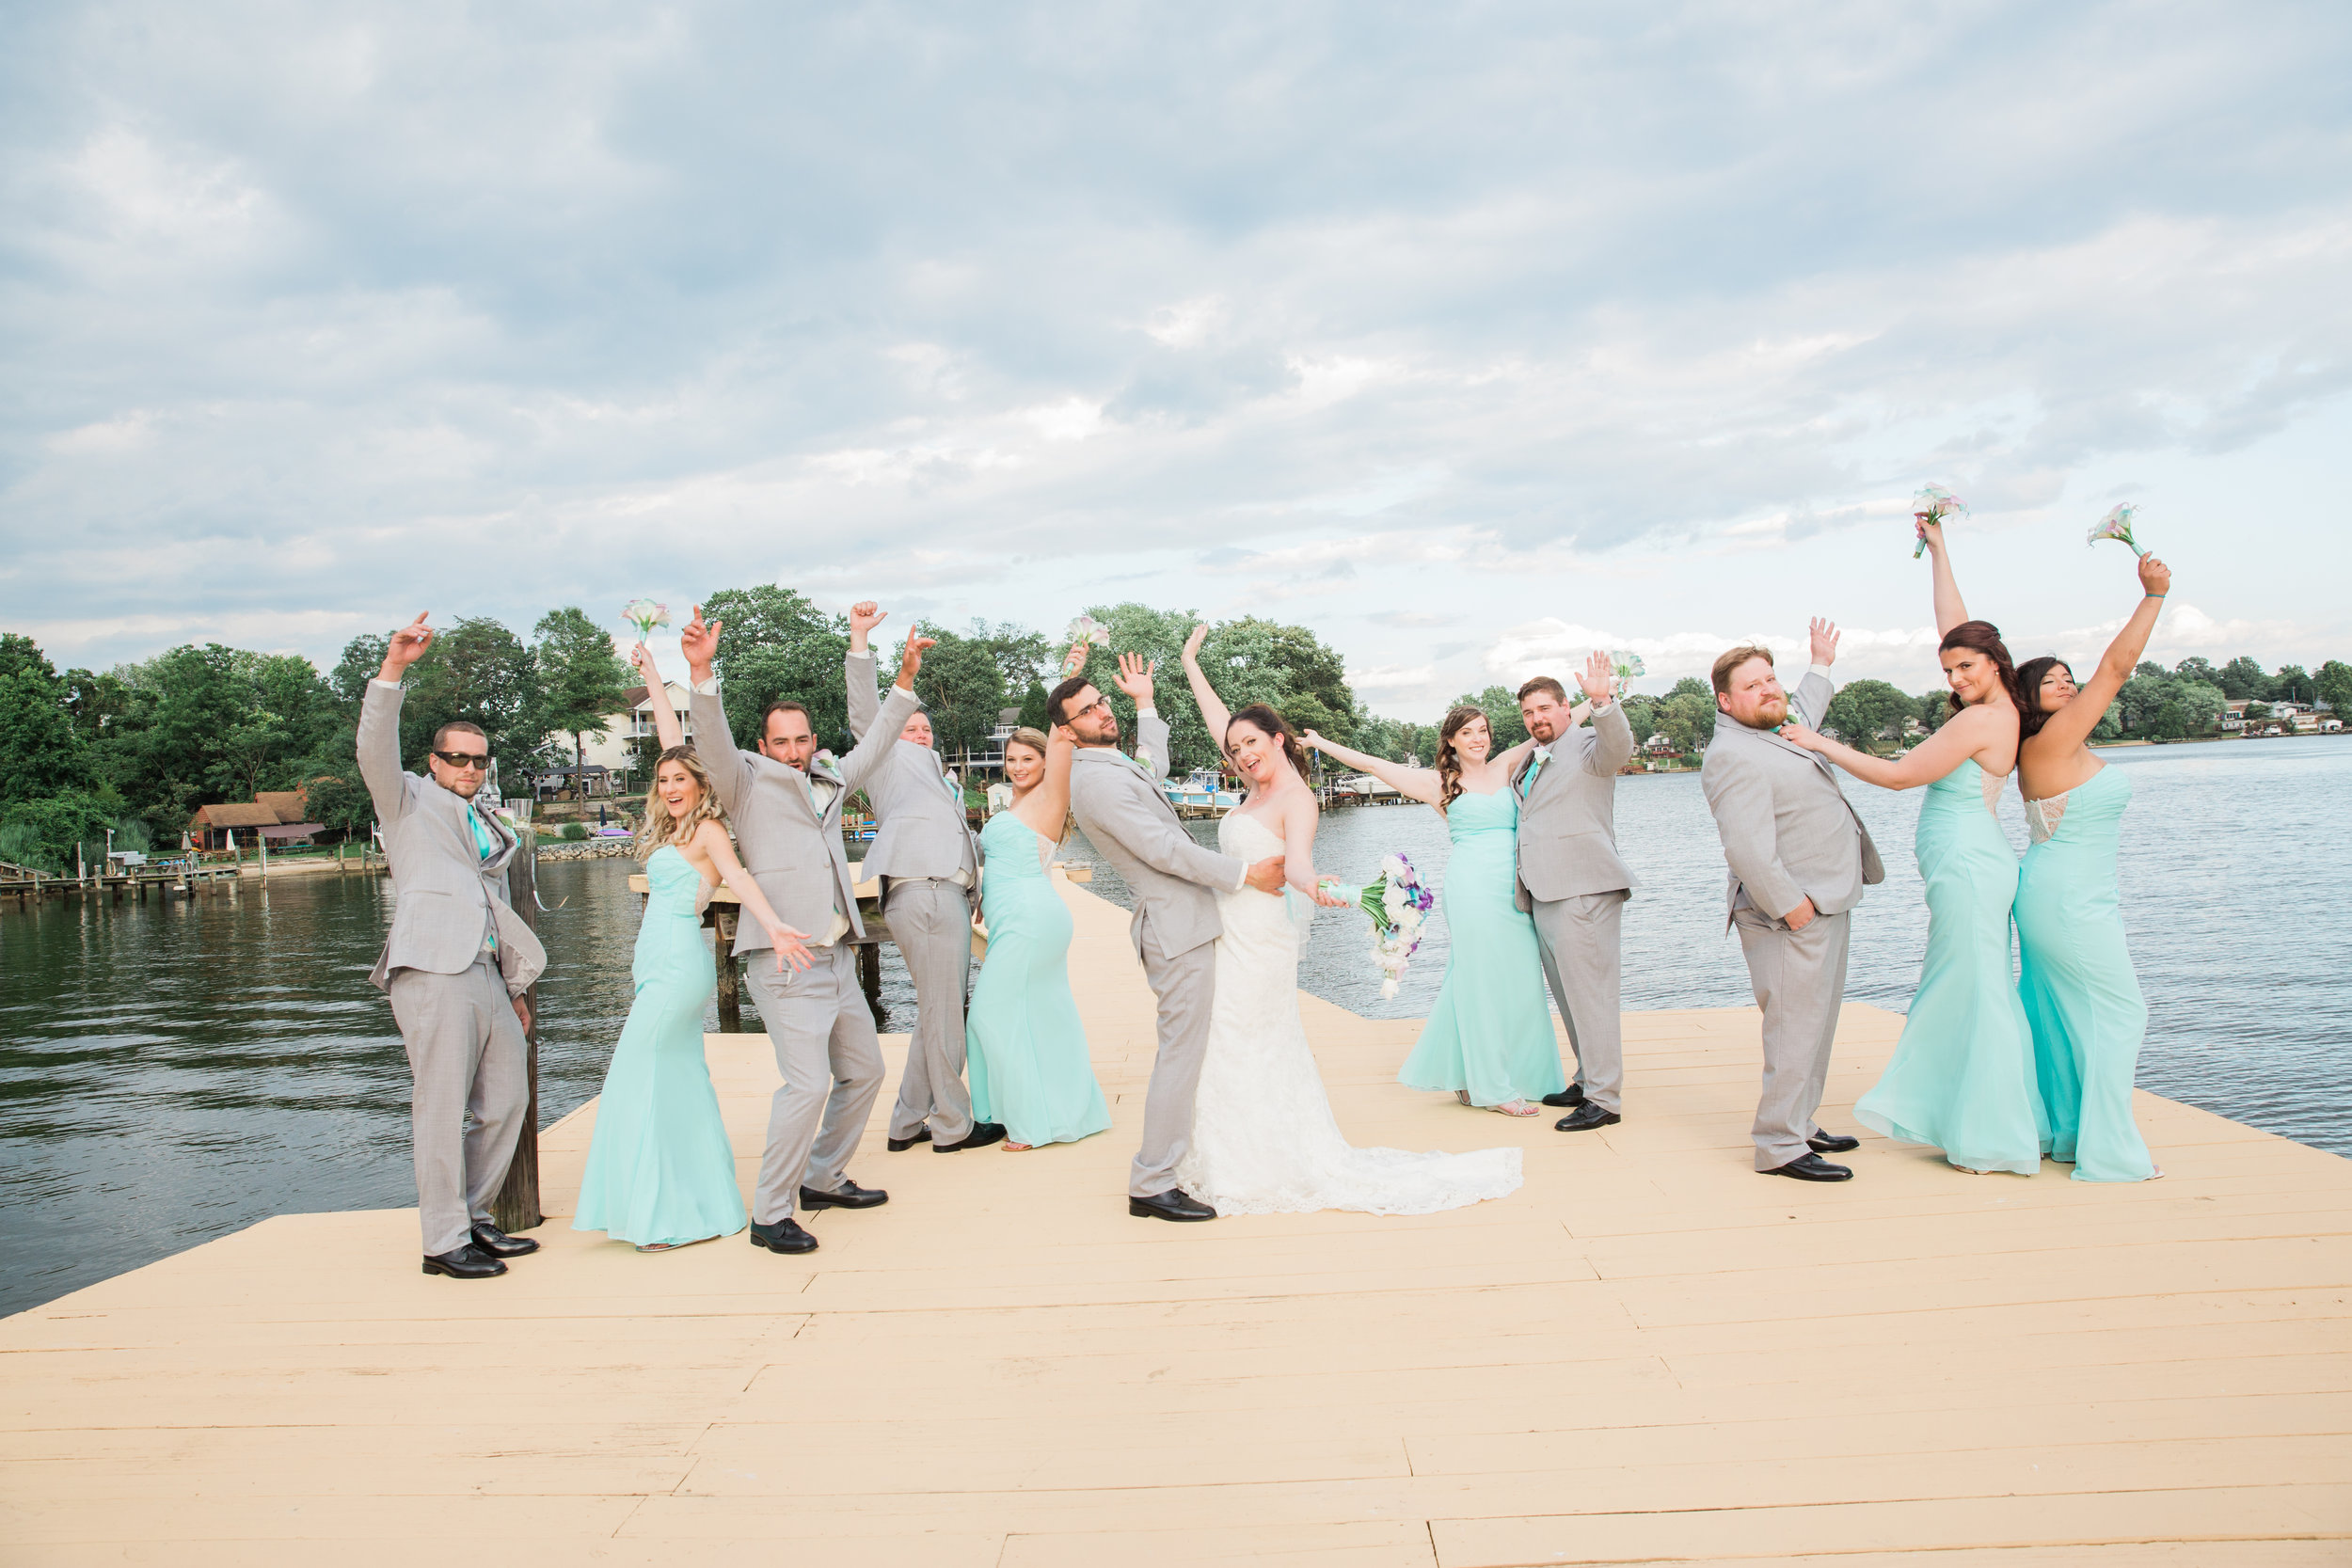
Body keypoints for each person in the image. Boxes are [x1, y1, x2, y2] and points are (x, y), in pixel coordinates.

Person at [1171, 626, 1522, 1215]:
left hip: (1261, 940)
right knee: (1223, 1039)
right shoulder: (1251, 784)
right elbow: (1219, 721)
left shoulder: (1296, 800)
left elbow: (1301, 866)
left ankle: (1250, 1165)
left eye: (1253, 743)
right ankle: (1220, 1153)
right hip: (1226, 932)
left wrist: (1321, 889)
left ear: (1279, 740)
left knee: (1243, 1039)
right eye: (1235, 750)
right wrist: (1189, 662)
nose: (1242, 754)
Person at [1779, 526, 2044, 1176]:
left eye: (1966, 667)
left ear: (1997, 663)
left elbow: (1900, 776)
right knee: (1970, 984)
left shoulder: (1983, 717)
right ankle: (1977, 1116)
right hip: (1969, 861)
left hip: (1969, 865)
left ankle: (1994, 1130)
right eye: (1948, 667)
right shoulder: (1993, 696)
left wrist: (1822, 744)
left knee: (1973, 988)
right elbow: (1957, 624)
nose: (1955, 675)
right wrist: (1940, 546)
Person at [682, 604, 926, 1257]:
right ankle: (770, 1211)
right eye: (780, 741)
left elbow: (876, 743)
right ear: (763, 746)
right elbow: (708, 737)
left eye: (801, 739)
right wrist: (702, 673)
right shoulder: (744, 782)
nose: (792, 750)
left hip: (838, 953)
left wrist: (893, 672)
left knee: (866, 1070)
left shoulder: (829, 777)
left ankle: (822, 1175)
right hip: (785, 962)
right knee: (807, 1083)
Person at [572, 645, 815, 1250]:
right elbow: (668, 740)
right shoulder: (671, 828)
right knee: (674, 1076)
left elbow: (739, 878)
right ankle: (695, 1203)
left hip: (680, 967)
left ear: (701, 784)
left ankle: (661, 1213)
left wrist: (776, 926)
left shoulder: (707, 830)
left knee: (641, 1074)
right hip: (652, 966)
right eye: (664, 780)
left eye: (682, 778)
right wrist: (654, 678)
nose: (671, 785)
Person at [1057, 653, 1289, 1222]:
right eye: (1087, 711)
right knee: (1179, 1056)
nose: (1100, 712)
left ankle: (1174, 1165)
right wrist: (1244, 874)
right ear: (1067, 731)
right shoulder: (1092, 782)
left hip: (1187, 920)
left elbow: (1152, 769)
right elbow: (1162, 849)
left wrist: (1144, 703)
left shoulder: (1111, 766)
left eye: (1102, 701)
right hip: (1173, 927)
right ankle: (1151, 1182)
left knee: (1187, 1052)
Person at [358, 611, 548, 1279]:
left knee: (507, 1099)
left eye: (478, 758)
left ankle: (475, 1217)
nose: (469, 767)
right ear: (435, 760)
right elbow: (373, 747)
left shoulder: (490, 818)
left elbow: (491, 904)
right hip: (432, 967)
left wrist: (515, 986)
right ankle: (441, 1242)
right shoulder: (406, 799)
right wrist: (394, 670)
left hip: (488, 972)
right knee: (440, 1105)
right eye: (457, 757)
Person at [1304, 703, 1578, 1116]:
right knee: (1480, 980)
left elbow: (1554, 728)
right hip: (1472, 889)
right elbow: (1374, 764)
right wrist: (1320, 743)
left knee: (1518, 979)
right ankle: (1491, 1086)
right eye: (1467, 732)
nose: (1478, 738)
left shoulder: (1505, 766)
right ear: (1451, 739)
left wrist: (1597, 699)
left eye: (1483, 730)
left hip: (1517, 889)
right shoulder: (1439, 783)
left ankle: (1509, 1075)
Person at [1700, 624, 1885, 1181]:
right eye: (1752, 686)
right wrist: (1791, 906)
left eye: (1771, 678)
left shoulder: (1780, 725)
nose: (1768, 690)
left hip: (1828, 897)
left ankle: (1800, 1121)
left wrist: (1821, 663)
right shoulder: (1732, 754)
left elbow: (1801, 702)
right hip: (1788, 914)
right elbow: (1747, 848)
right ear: (1726, 701)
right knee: (1792, 1026)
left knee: (1817, 1021)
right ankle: (1779, 1145)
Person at [2012, 548, 2174, 1181]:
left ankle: (2071, 1135)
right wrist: (2153, 595)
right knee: (2120, 1011)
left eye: (2067, 675)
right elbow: (2118, 665)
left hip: (2064, 892)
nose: (2067, 682)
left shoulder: (2055, 743)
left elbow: (2099, 672)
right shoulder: (2049, 740)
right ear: (2029, 696)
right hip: (2067, 898)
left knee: (2062, 1012)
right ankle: (2110, 1150)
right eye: (2050, 680)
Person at [844, 602, 1003, 1155]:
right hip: (923, 888)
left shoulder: (940, 777)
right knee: (945, 1008)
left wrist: (977, 889)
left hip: (947, 891)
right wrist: (864, 647)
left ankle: (907, 1120)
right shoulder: (885, 761)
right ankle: (953, 1125)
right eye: (907, 727)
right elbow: (868, 719)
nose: (918, 734)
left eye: (925, 728)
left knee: (937, 1006)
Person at [964, 706, 1113, 1152]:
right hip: (1015, 916)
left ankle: (1027, 1122)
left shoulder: (1052, 795)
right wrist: (983, 899)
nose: (1017, 767)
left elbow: (1062, 736)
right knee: (1040, 1014)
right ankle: (1032, 1112)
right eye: (1011, 760)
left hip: (1031, 918)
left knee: (988, 1014)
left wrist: (1069, 677)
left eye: (1027, 758)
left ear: (1046, 761)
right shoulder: (1013, 803)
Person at [1511, 656, 1637, 1133]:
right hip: (1543, 891)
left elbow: (1617, 747)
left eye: (1545, 708)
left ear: (1567, 708)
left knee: (1593, 997)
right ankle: (1588, 1079)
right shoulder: (1532, 756)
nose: (1537, 719)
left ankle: (1605, 1098)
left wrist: (1603, 702)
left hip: (1583, 889)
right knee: (1569, 996)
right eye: (1528, 713)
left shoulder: (1588, 743)